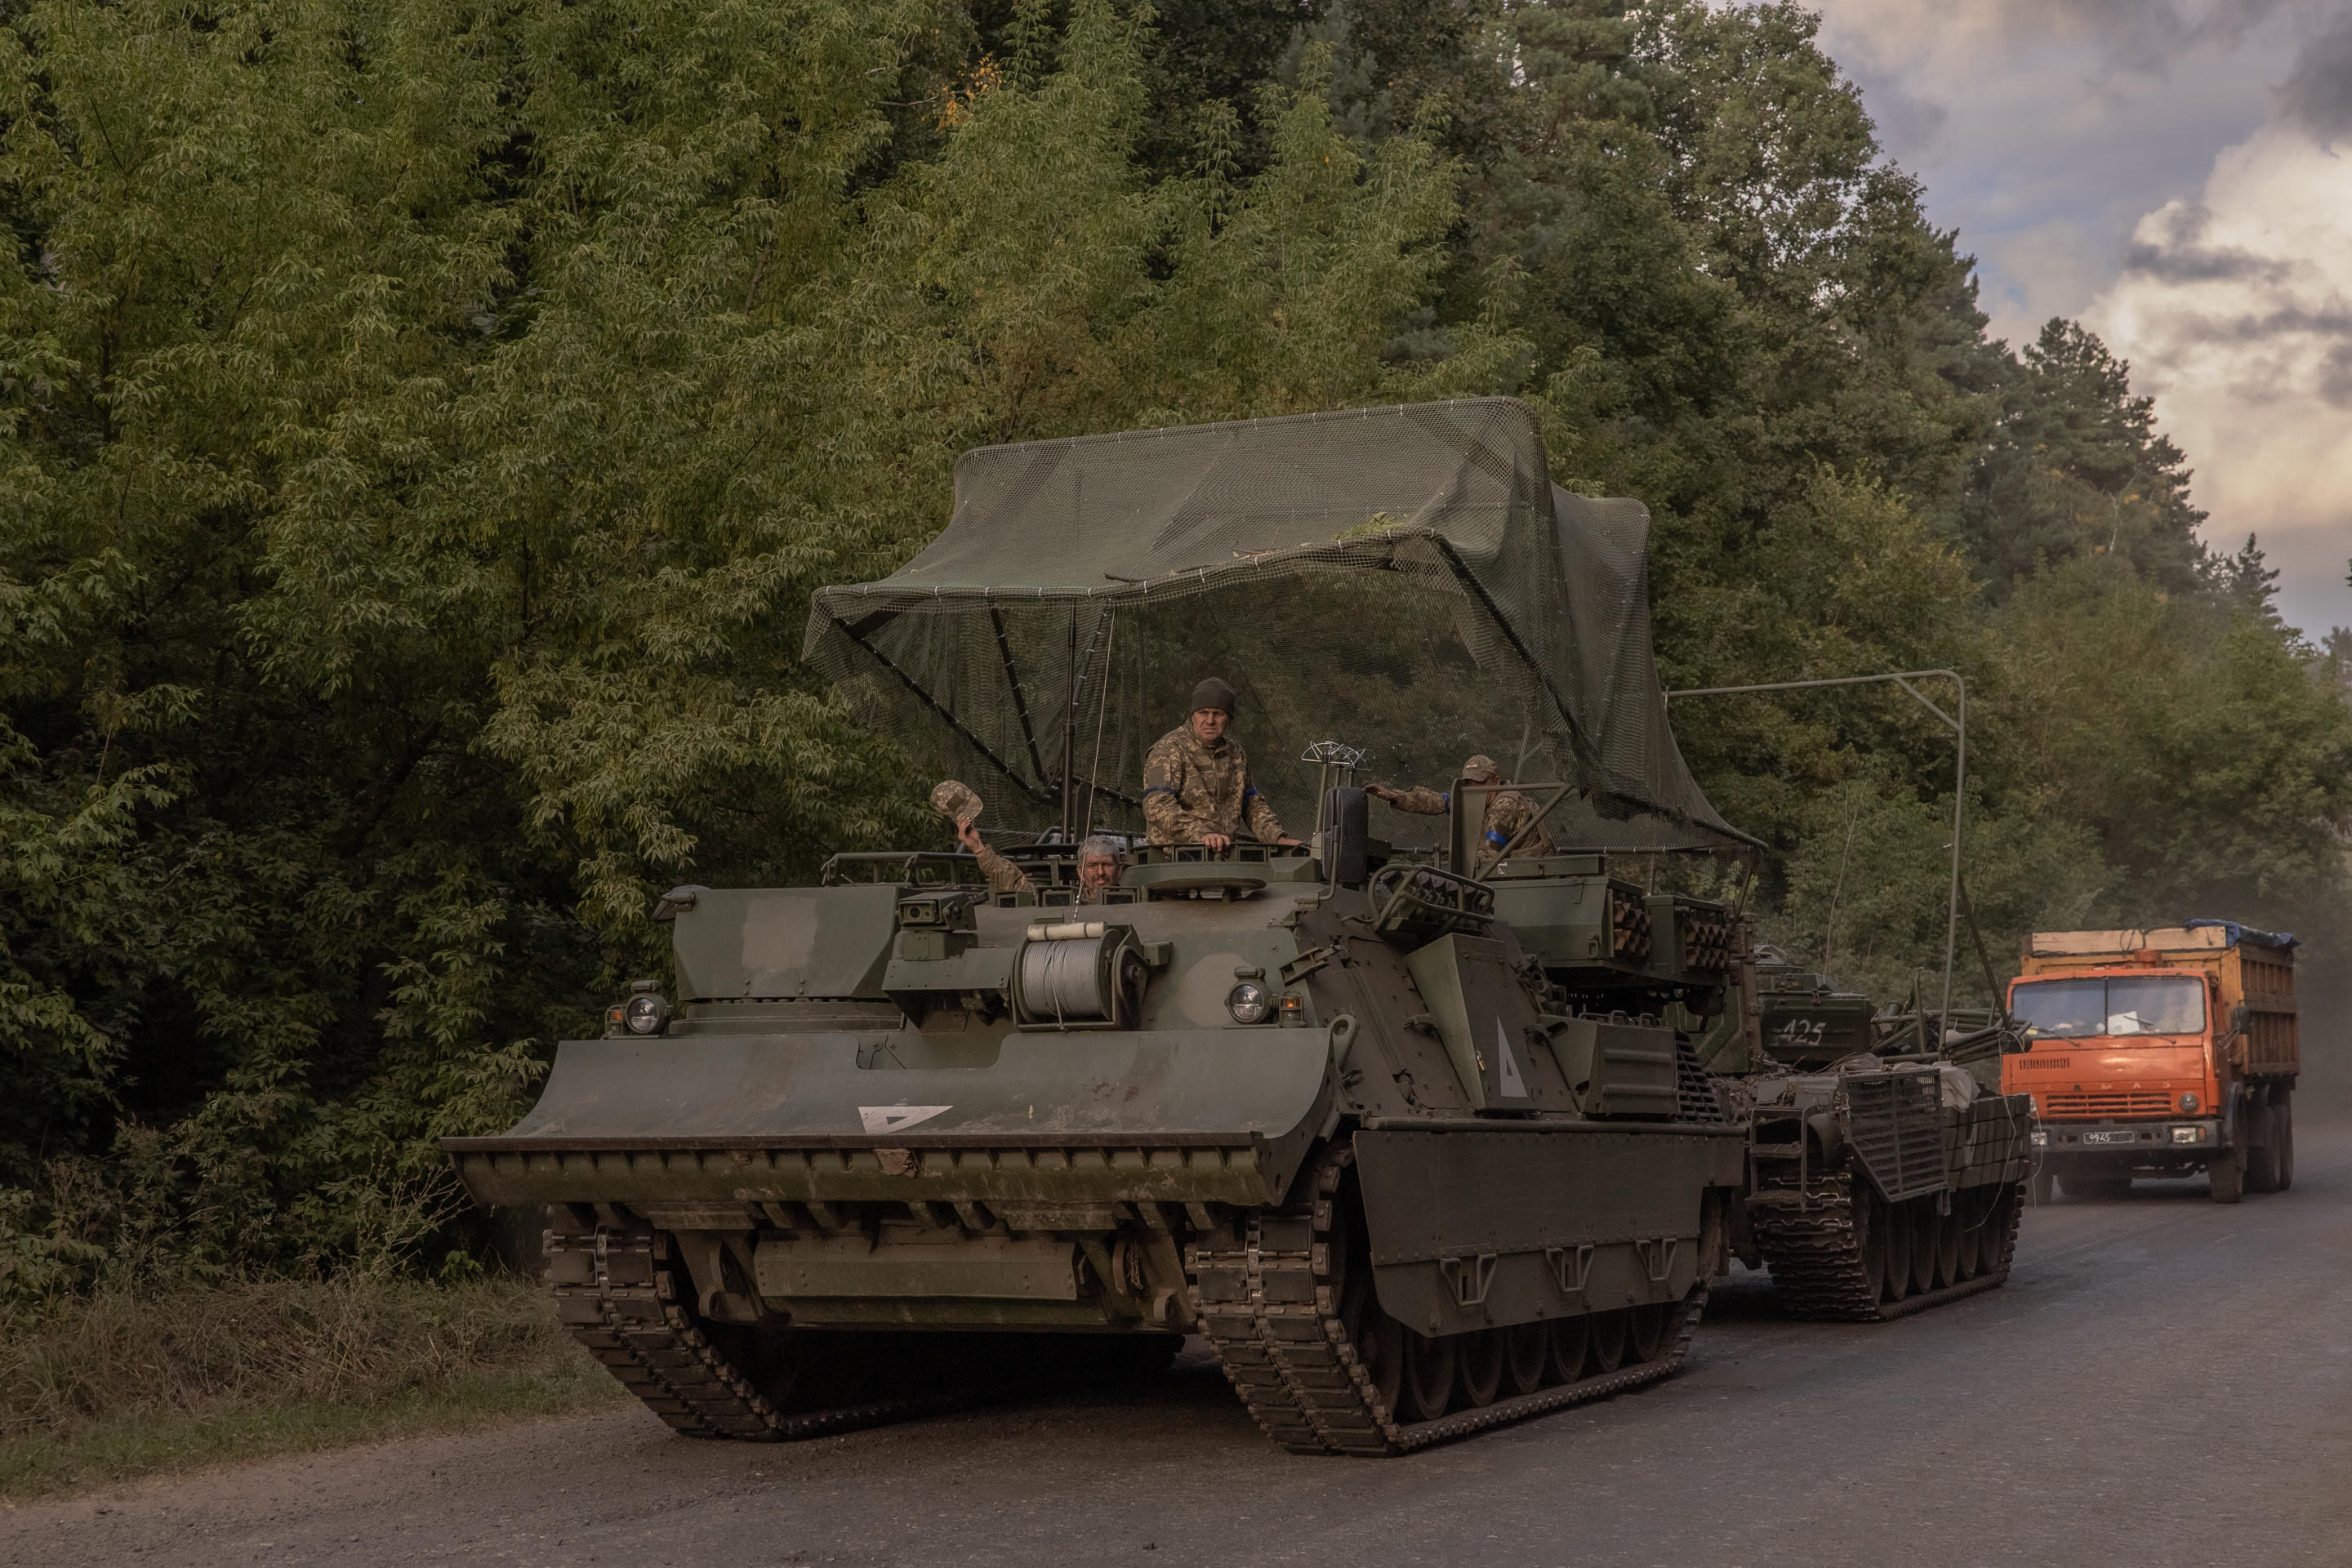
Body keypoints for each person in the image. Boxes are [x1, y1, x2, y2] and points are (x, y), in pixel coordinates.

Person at [1141, 678, 1298, 851]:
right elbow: (1157, 806)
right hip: (1175, 860)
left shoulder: (1235, 753)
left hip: (1222, 858)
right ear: (1193, 715)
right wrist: (1202, 835)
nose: (1210, 720)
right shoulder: (1169, 749)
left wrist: (1277, 837)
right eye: (1203, 713)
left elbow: (1251, 804)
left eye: (1218, 713)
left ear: (1229, 719)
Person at [1367, 753, 1556, 873]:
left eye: (1480, 783)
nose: (1474, 788)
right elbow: (1437, 801)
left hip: (1527, 875)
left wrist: (1437, 869)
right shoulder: (1477, 797)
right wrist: (1393, 795)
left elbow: (1487, 857)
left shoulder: (1504, 805)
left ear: (1495, 781)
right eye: (1469, 784)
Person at [957, 822, 1125, 902]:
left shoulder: (1138, 902)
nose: (1101, 873)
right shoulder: (1066, 900)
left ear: (1119, 870)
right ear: (1080, 872)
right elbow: (1015, 882)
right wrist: (978, 848)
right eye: (1093, 866)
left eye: (1107, 865)